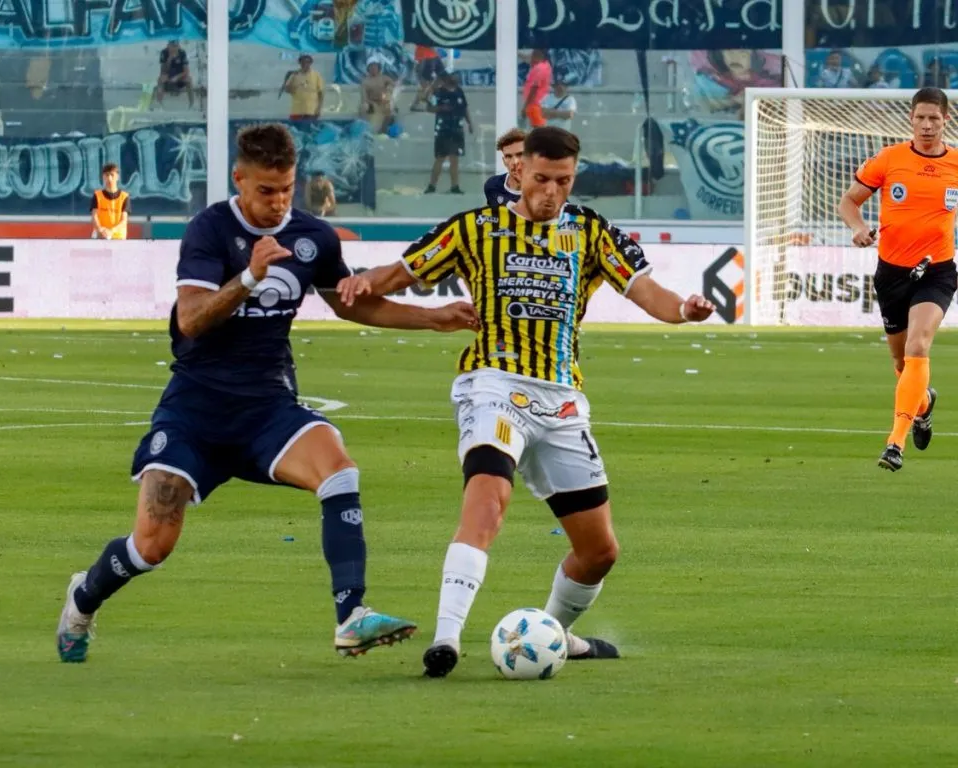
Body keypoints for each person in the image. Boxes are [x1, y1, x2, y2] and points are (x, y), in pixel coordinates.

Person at [56, 123, 480, 664]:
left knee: (339, 470)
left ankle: (352, 616)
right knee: (151, 545)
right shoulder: (209, 231)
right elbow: (191, 320)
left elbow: (349, 304)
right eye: (265, 191)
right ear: (240, 180)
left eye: (286, 189)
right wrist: (250, 278)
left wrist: (434, 317)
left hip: (267, 408)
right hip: (196, 411)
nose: (278, 203)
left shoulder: (313, 237)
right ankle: (83, 599)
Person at [336, 127, 716, 678]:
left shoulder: (589, 231)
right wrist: (363, 280)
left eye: (562, 181)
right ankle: (445, 640)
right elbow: (399, 273)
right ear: (519, 174)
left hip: (562, 400)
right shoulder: (476, 228)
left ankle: (554, 635)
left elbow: (646, 292)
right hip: (492, 384)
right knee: (488, 501)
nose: (550, 193)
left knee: (600, 551)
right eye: (541, 179)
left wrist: (685, 309)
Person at [838, 86, 958, 472]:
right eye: (920, 117)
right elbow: (849, 200)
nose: (927, 125)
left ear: (946, 120)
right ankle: (922, 404)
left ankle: (895, 443)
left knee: (919, 347)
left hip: (936, 271)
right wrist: (857, 228)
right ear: (911, 119)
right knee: (902, 362)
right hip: (891, 272)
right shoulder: (889, 159)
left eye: (934, 118)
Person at [425, 72, 473, 195]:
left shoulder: (459, 91)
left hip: (457, 128)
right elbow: (429, 108)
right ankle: (432, 186)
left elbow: (465, 108)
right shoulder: (439, 92)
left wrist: (470, 123)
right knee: (440, 158)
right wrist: (441, 108)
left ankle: (455, 186)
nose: (456, 79)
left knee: (455, 158)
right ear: (448, 79)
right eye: (454, 77)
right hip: (443, 129)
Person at [483, 128, 524, 206]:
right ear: (504, 161)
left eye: (520, 154)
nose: (515, 162)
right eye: (508, 156)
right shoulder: (493, 185)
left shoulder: (544, 190)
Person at [90, 163, 130, 240]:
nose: (109, 178)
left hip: (118, 237)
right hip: (100, 235)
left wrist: (111, 231)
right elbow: (94, 216)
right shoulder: (97, 195)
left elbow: (124, 220)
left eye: (112, 175)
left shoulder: (124, 196)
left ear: (117, 177)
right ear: (103, 177)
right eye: (107, 175)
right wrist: (100, 229)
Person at [281, 54, 324, 121]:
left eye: (307, 62)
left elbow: (321, 94)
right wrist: (295, 87)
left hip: (311, 111)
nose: (305, 64)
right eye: (303, 62)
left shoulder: (316, 75)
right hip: (296, 111)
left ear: (310, 63)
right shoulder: (294, 75)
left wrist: (319, 109)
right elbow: (286, 89)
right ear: (300, 63)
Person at [358, 57, 395, 134]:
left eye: (375, 66)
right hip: (372, 103)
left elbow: (393, 84)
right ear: (368, 68)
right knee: (365, 107)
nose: (373, 68)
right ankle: (368, 130)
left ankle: (383, 130)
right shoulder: (365, 82)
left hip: (384, 102)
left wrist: (388, 91)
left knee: (389, 107)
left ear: (379, 67)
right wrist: (372, 104)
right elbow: (364, 99)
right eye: (371, 66)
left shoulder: (384, 78)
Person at [155, 40, 193, 107]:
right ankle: (159, 103)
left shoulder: (182, 53)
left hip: (179, 75)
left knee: (189, 79)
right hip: (168, 74)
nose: (174, 49)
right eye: (172, 46)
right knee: (160, 79)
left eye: (176, 46)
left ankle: (191, 103)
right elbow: (163, 71)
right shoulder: (164, 52)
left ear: (178, 46)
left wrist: (177, 77)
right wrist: (169, 59)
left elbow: (186, 71)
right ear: (168, 46)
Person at [522, 50, 552, 128]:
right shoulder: (546, 66)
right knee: (539, 130)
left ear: (537, 56)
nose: (530, 59)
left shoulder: (539, 68)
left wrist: (525, 107)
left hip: (535, 105)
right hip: (539, 104)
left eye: (532, 56)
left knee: (539, 131)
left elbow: (534, 88)